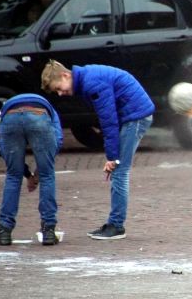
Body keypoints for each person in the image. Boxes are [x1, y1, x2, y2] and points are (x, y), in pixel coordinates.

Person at [41, 59, 154, 240]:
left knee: (119, 172)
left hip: (135, 116)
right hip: (133, 114)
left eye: (59, 88)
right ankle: (114, 223)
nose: (60, 94)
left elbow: (108, 121)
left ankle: (116, 226)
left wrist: (112, 157)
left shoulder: (92, 83)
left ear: (65, 75)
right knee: (119, 170)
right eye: (57, 91)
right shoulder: (87, 78)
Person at [0, 93, 63, 246]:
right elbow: (58, 140)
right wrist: (39, 172)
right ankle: (49, 231)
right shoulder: (50, 108)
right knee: (47, 176)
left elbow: (2, 145)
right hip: (40, 115)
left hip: (9, 115)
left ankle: (4, 231)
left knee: (12, 175)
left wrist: (24, 173)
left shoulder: (5, 108)